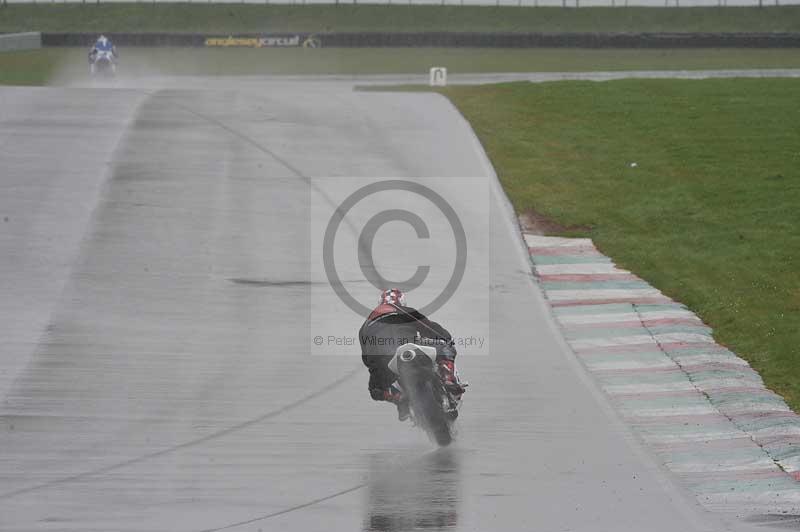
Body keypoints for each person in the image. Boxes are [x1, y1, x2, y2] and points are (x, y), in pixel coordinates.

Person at [359, 288, 463, 421]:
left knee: (374, 390)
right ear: (401, 302)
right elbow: (429, 327)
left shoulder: (365, 326)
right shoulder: (402, 310)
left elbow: (367, 358)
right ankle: (448, 377)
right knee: (445, 348)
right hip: (409, 345)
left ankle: (398, 398)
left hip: (385, 361)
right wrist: (446, 339)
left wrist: (377, 374)